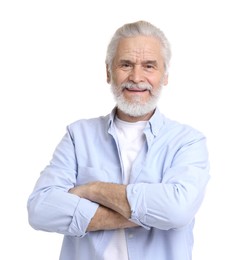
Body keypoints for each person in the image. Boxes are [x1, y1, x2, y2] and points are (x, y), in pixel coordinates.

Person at [27, 20, 210, 260]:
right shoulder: (78, 136)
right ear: (108, 72)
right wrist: (146, 214)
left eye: (149, 66)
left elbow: (178, 210)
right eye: (126, 64)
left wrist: (92, 189)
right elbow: (40, 209)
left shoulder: (188, 142)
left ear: (165, 75)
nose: (136, 77)